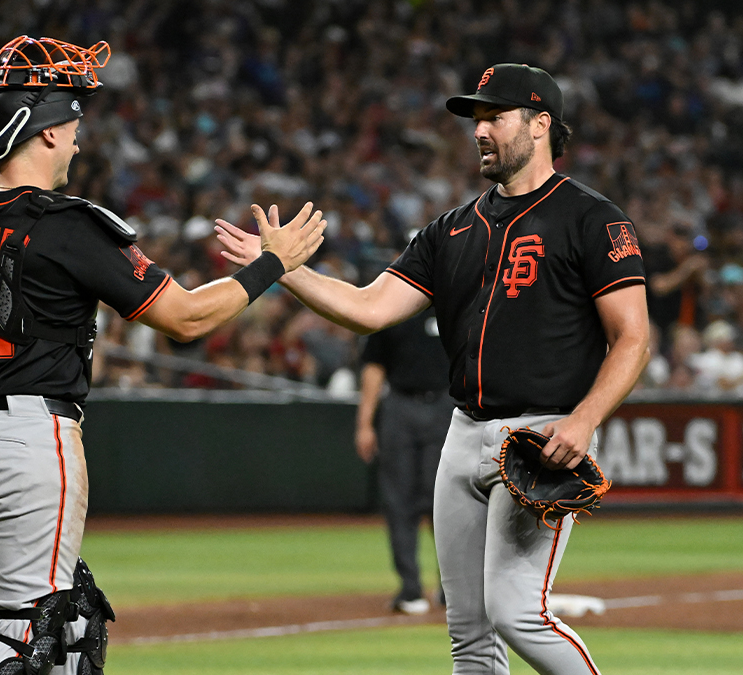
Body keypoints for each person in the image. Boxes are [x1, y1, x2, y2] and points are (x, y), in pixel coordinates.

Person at [0, 35, 325, 675]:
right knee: (22, 635)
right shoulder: (67, 224)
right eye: (72, 126)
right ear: (42, 133)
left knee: (72, 629)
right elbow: (186, 317)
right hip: (31, 441)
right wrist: (273, 264)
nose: (77, 141)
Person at [218, 63, 650, 675]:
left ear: (541, 124)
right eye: (476, 119)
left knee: (516, 612)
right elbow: (369, 308)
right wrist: (282, 269)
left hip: (543, 435)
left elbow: (632, 339)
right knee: (468, 635)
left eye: (494, 116)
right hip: (463, 430)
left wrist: (583, 422)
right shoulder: (450, 230)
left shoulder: (591, 219)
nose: (480, 130)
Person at [356, 307, 452, 615]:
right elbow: (374, 366)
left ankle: (452, 588)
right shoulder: (392, 304)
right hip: (400, 406)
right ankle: (410, 588)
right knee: (399, 501)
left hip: (447, 405)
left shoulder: (455, 298)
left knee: (448, 503)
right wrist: (364, 423)